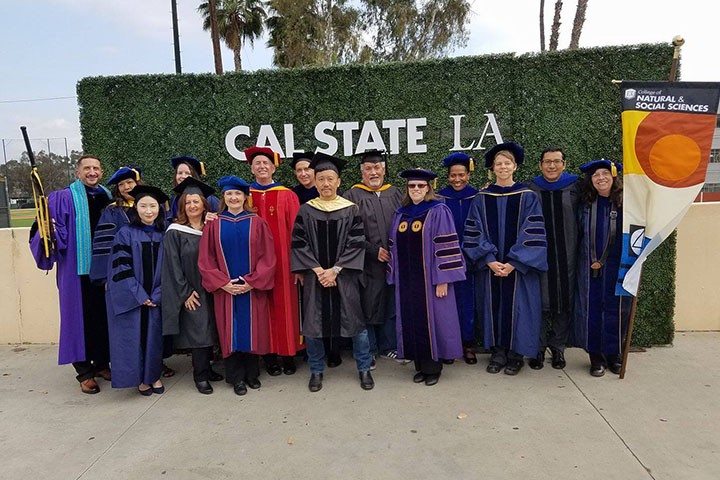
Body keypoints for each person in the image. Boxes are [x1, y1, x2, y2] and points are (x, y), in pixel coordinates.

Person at [290, 152, 374, 392]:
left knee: (356, 324)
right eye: (321, 179)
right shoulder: (306, 210)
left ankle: (364, 367)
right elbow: (298, 243)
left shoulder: (351, 209)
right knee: (314, 326)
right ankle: (316, 370)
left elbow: (356, 243)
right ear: (315, 182)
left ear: (338, 182)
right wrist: (318, 270)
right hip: (316, 278)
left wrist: (335, 270)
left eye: (330, 179)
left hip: (344, 276)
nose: (326, 184)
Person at [463, 142, 548, 376]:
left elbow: (534, 233)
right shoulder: (481, 198)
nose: (502, 167)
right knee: (493, 307)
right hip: (491, 267)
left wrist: (514, 263)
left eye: (506, 163)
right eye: (498, 163)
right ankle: (498, 353)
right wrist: (489, 259)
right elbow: (473, 231)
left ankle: (515, 355)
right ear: (492, 168)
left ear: (515, 166)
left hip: (517, 269)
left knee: (519, 309)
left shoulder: (528, 197)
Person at [29, 155, 112, 394]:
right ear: (78, 172)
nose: (92, 172)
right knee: (79, 319)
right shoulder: (62, 198)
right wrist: (50, 233)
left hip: (104, 270)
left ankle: (101, 363)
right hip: (77, 271)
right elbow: (47, 229)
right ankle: (84, 371)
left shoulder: (107, 196)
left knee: (102, 318)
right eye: (87, 168)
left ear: (101, 171)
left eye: (96, 167)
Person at [198, 176, 277, 396]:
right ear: (224, 197)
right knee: (229, 331)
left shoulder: (257, 222)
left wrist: (251, 282)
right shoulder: (214, 224)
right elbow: (206, 259)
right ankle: (236, 378)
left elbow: (268, 257)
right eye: (229, 194)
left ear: (245, 197)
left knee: (252, 330)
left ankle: (252, 375)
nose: (233, 198)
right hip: (226, 290)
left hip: (251, 289)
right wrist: (223, 283)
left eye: (237, 194)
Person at [387, 169, 465, 386]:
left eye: (421, 186)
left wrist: (443, 279)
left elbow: (447, 245)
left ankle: (433, 368)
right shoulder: (401, 213)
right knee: (411, 319)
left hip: (430, 281)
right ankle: (420, 365)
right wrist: (393, 274)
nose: (416, 190)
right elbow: (393, 246)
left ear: (429, 188)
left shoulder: (439, 211)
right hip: (407, 282)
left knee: (434, 321)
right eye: (412, 186)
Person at [161, 177, 224, 395]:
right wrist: (185, 292)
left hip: (212, 287)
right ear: (182, 206)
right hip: (192, 289)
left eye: (196, 201)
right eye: (188, 202)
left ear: (204, 204)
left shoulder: (212, 226)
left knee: (212, 329)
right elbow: (172, 265)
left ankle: (208, 368)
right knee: (199, 331)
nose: (192, 205)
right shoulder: (175, 231)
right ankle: (200, 376)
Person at [244, 146, 302, 376]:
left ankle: (288, 355)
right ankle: (268, 357)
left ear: (274, 166)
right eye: (257, 163)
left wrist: (298, 266)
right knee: (262, 309)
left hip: (284, 264)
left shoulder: (287, 195)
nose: (261, 166)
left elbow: (299, 233)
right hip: (254, 265)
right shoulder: (244, 195)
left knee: (286, 308)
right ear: (251, 168)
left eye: (266, 163)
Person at [343, 150, 404, 367]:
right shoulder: (351, 196)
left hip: (394, 263)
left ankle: (390, 346)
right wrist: (372, 250)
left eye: (377, 167)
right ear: (362, 173)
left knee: (391, 302)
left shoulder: (396, 193)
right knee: (367, 304)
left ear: (384, 171)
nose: (373, 172)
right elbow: (347, 233)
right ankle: (369, 350)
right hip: (365, 264)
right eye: (368, 168)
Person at [106, 185, 168, 395]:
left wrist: (158, 294)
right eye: (143, 206)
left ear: (159, 208)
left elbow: (172, 268)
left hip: (156, 296)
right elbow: (121, 268)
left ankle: (154, 376)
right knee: (136, 337)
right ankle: (140, 379)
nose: (148, 211)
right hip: (135, 297)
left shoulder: (164, 233)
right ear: (136, 207)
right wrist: (140, 295)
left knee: (154, 337)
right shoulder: (125, 233)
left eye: (152, 206)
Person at [574, 159, 631, 377]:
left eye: (605, 174)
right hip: (589, 267)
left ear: (614, 176)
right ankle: (595, 357)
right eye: (596, 175)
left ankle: (614, 356)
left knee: (618, 310)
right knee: (592, 310)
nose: (601, 178)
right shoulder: (586, 204)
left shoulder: (626, 204)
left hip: (618, 266)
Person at [525, 147, 581, 370]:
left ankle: (558, 347)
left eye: (556, 162)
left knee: (564, 300)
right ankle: (537, 349)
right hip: (539, 254)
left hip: (568, 251)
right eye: (547, 162)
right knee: (538, 300)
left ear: (564, 164)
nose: (551, 166)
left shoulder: (575, 186)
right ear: (540, 165)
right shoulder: (531, 188)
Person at [436, 152, 479, 365]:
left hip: (471, 259)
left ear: (468, 175)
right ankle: (449, 347)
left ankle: (468, 345)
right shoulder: (439, 198)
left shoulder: (477, 196)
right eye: (453, 175)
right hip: (447, 260)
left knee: (468, 303)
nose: (457, 179)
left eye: (461, 175)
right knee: (447, 304)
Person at [90, 166, 142, 284]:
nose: (126, 187)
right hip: (123, 270)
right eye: (121, 184)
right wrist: (105, 276)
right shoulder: (113, 210)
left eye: (129, 182)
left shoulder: (151, 206)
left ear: (137, 183)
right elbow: (104, 243)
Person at [168, 156, 220, 221]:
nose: (183, 176)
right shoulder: (174, 201)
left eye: (187, 173)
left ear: (194, 176)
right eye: (180, 173)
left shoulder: (209, 199)